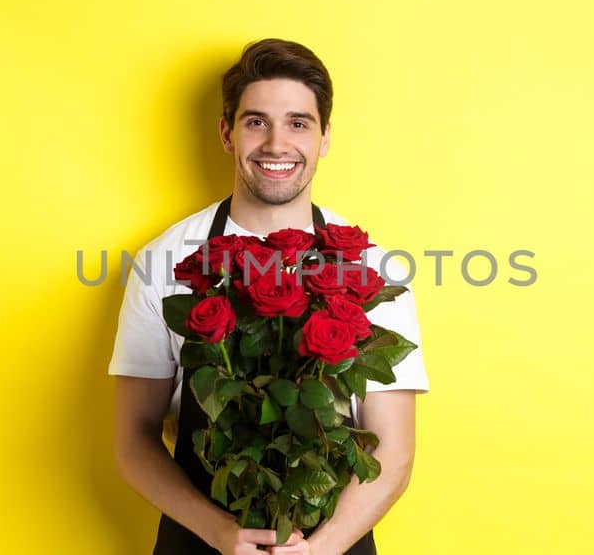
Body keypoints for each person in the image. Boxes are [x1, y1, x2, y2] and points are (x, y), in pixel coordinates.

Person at [108, 38, 430, 555]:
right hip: (199, 541)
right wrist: (219, 534)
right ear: (226, 133)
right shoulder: (163, 261)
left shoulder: (373, 268)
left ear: (324, 137)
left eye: (299, 123)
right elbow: (133, 439)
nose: (277, 144)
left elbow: (392, 451)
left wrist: (321, 548)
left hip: (334, 543)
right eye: (256, 121)